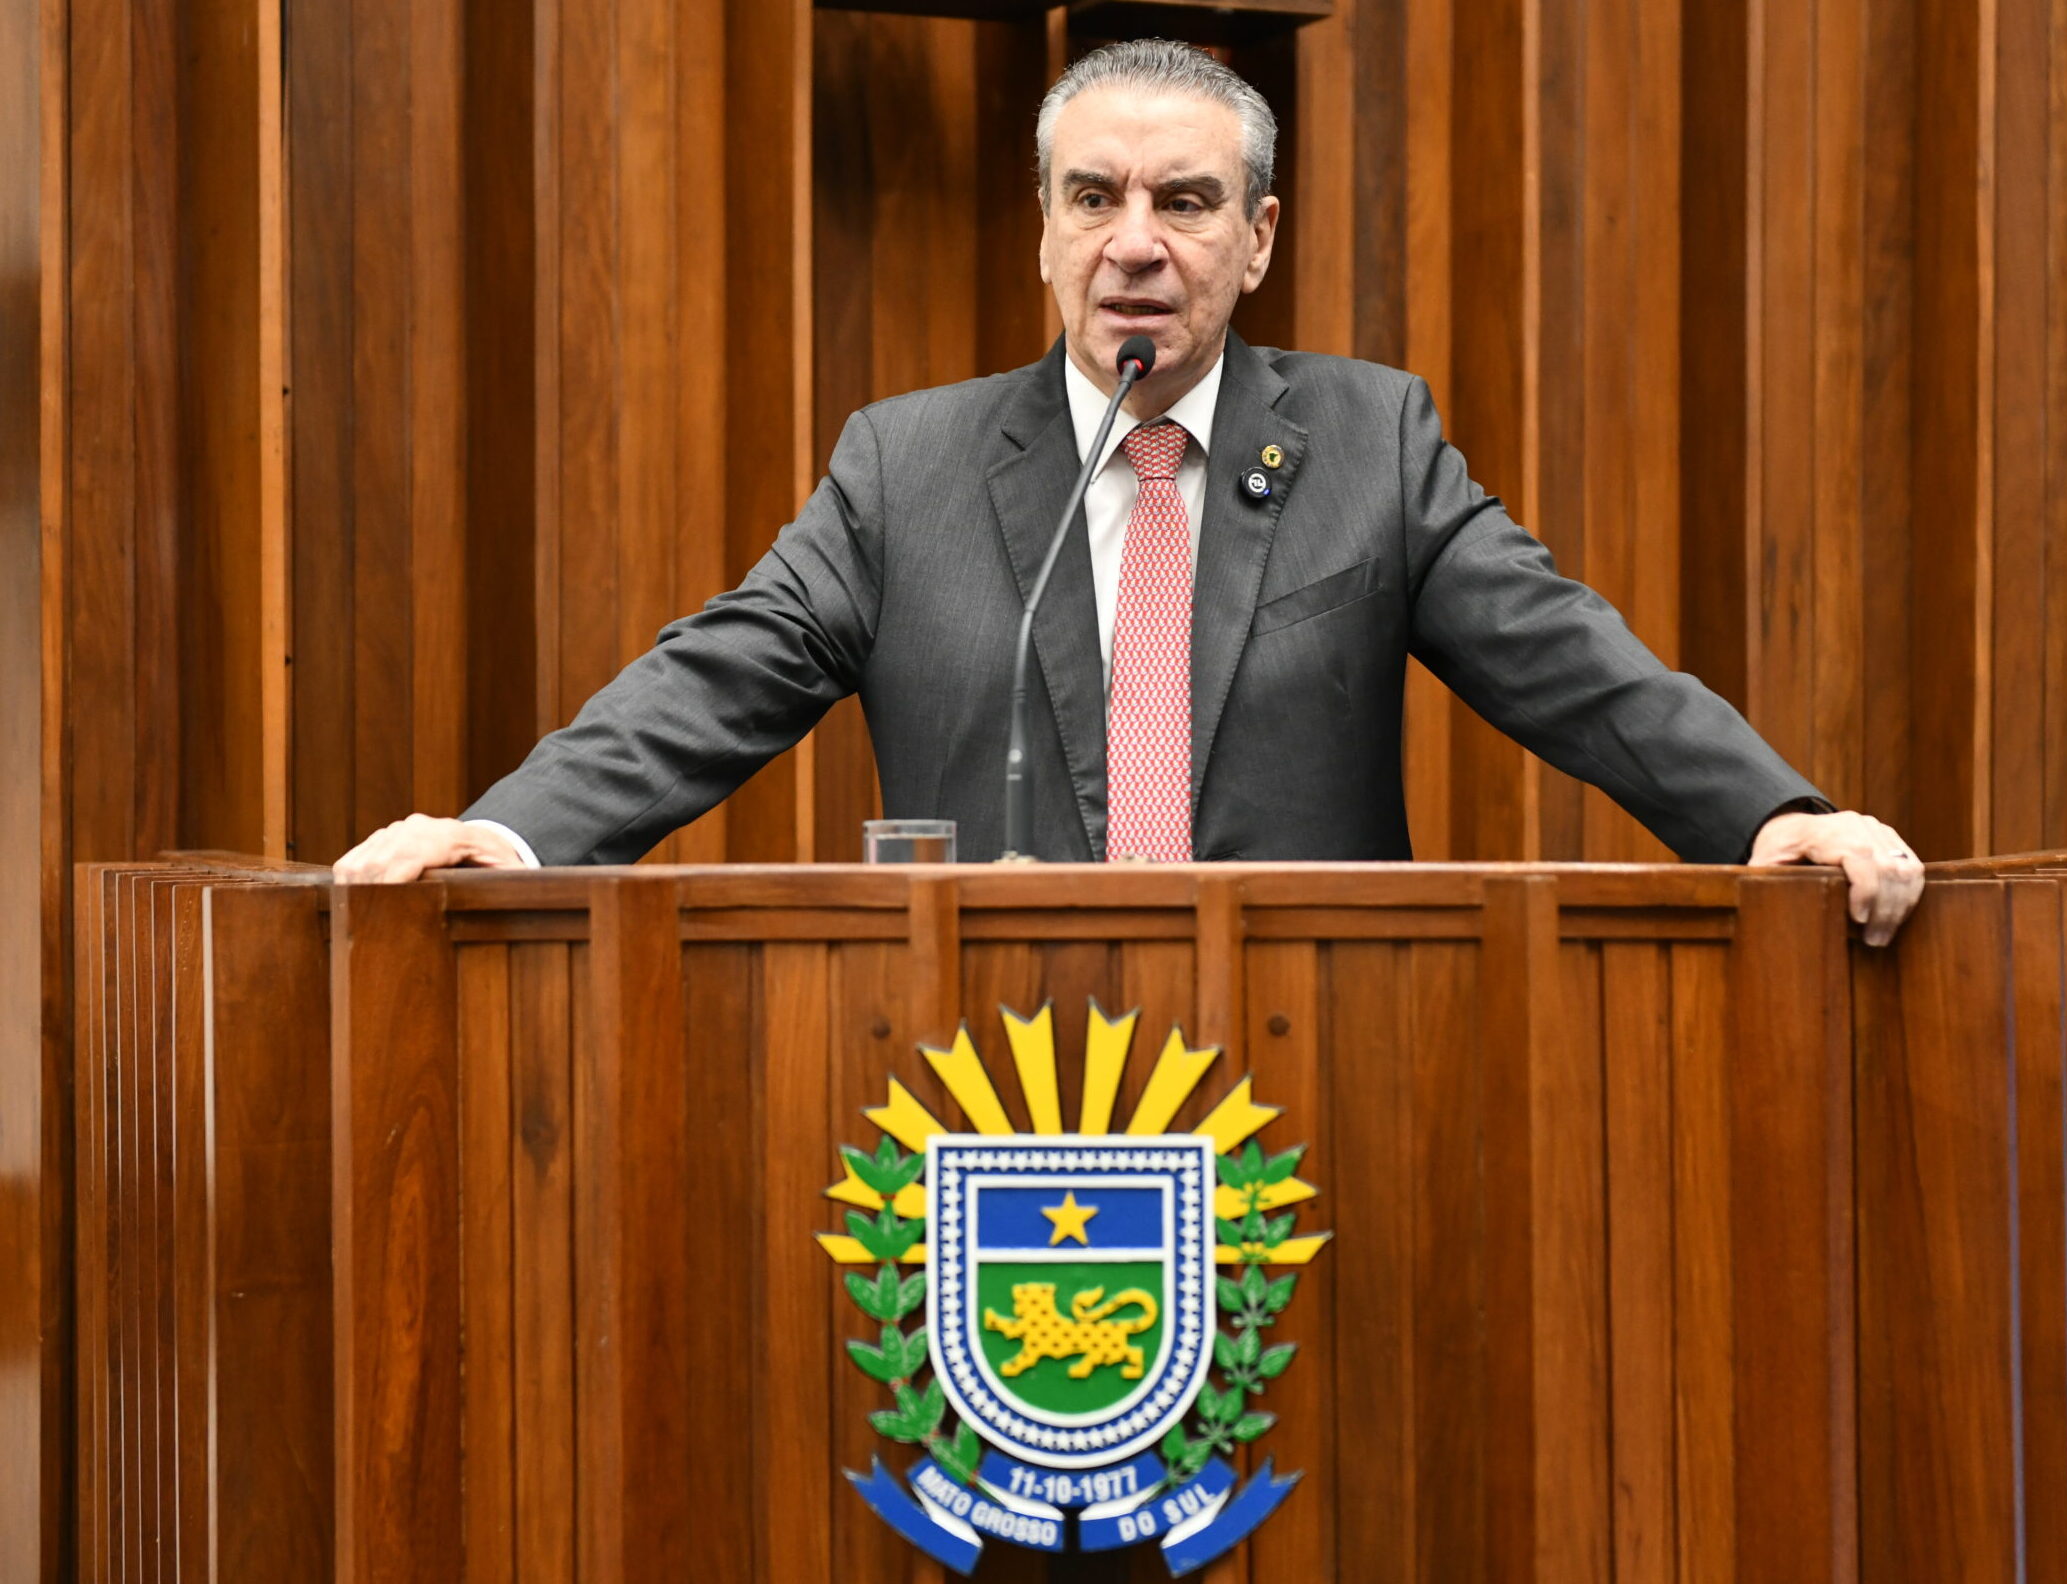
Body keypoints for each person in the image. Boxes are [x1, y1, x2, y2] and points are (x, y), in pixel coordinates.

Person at [337, 39, 1924, 945]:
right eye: (1093, 197)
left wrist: (1769, 815)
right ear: (1043, 229)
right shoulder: (906, 467)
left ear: (1258, 237)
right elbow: (714, 679)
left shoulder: (1368, 444)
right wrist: (510, 835)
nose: (1136, 243)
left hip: (1314, 1067)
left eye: (1185, 199)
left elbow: (1569, 662)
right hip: (985, 1085)